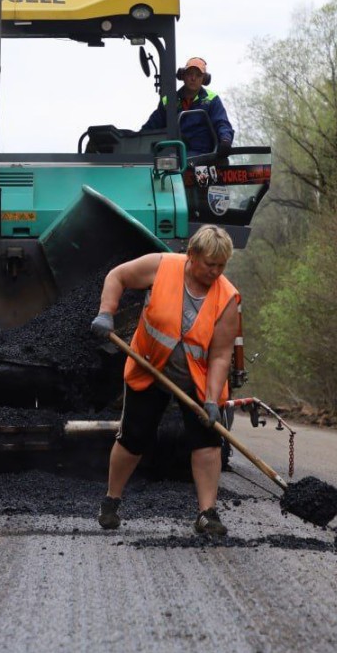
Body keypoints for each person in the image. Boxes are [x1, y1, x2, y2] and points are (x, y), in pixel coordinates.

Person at [90, 225, 240, 535]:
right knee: (133, 438)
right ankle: (111, 501)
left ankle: (207, 513)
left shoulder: (227, 298)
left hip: (196, 380)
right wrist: (107, 312)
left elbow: (221, 355)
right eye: (209, 264)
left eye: (221, 265)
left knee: (207, 442)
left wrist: (212, 400)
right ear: (191, 255)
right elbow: (117, 276)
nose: (215, 271)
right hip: (149, 368)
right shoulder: (161, 266)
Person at [142, 56, 234, 160]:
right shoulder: (168, 101)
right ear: (183, 75)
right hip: (172, 154)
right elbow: (150, 128)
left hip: (202, 156)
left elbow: (222, 123)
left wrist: (225, 140)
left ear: (204, 79)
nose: (193, 78)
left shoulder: (212, 100)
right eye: (190, 74)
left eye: (198, 75)